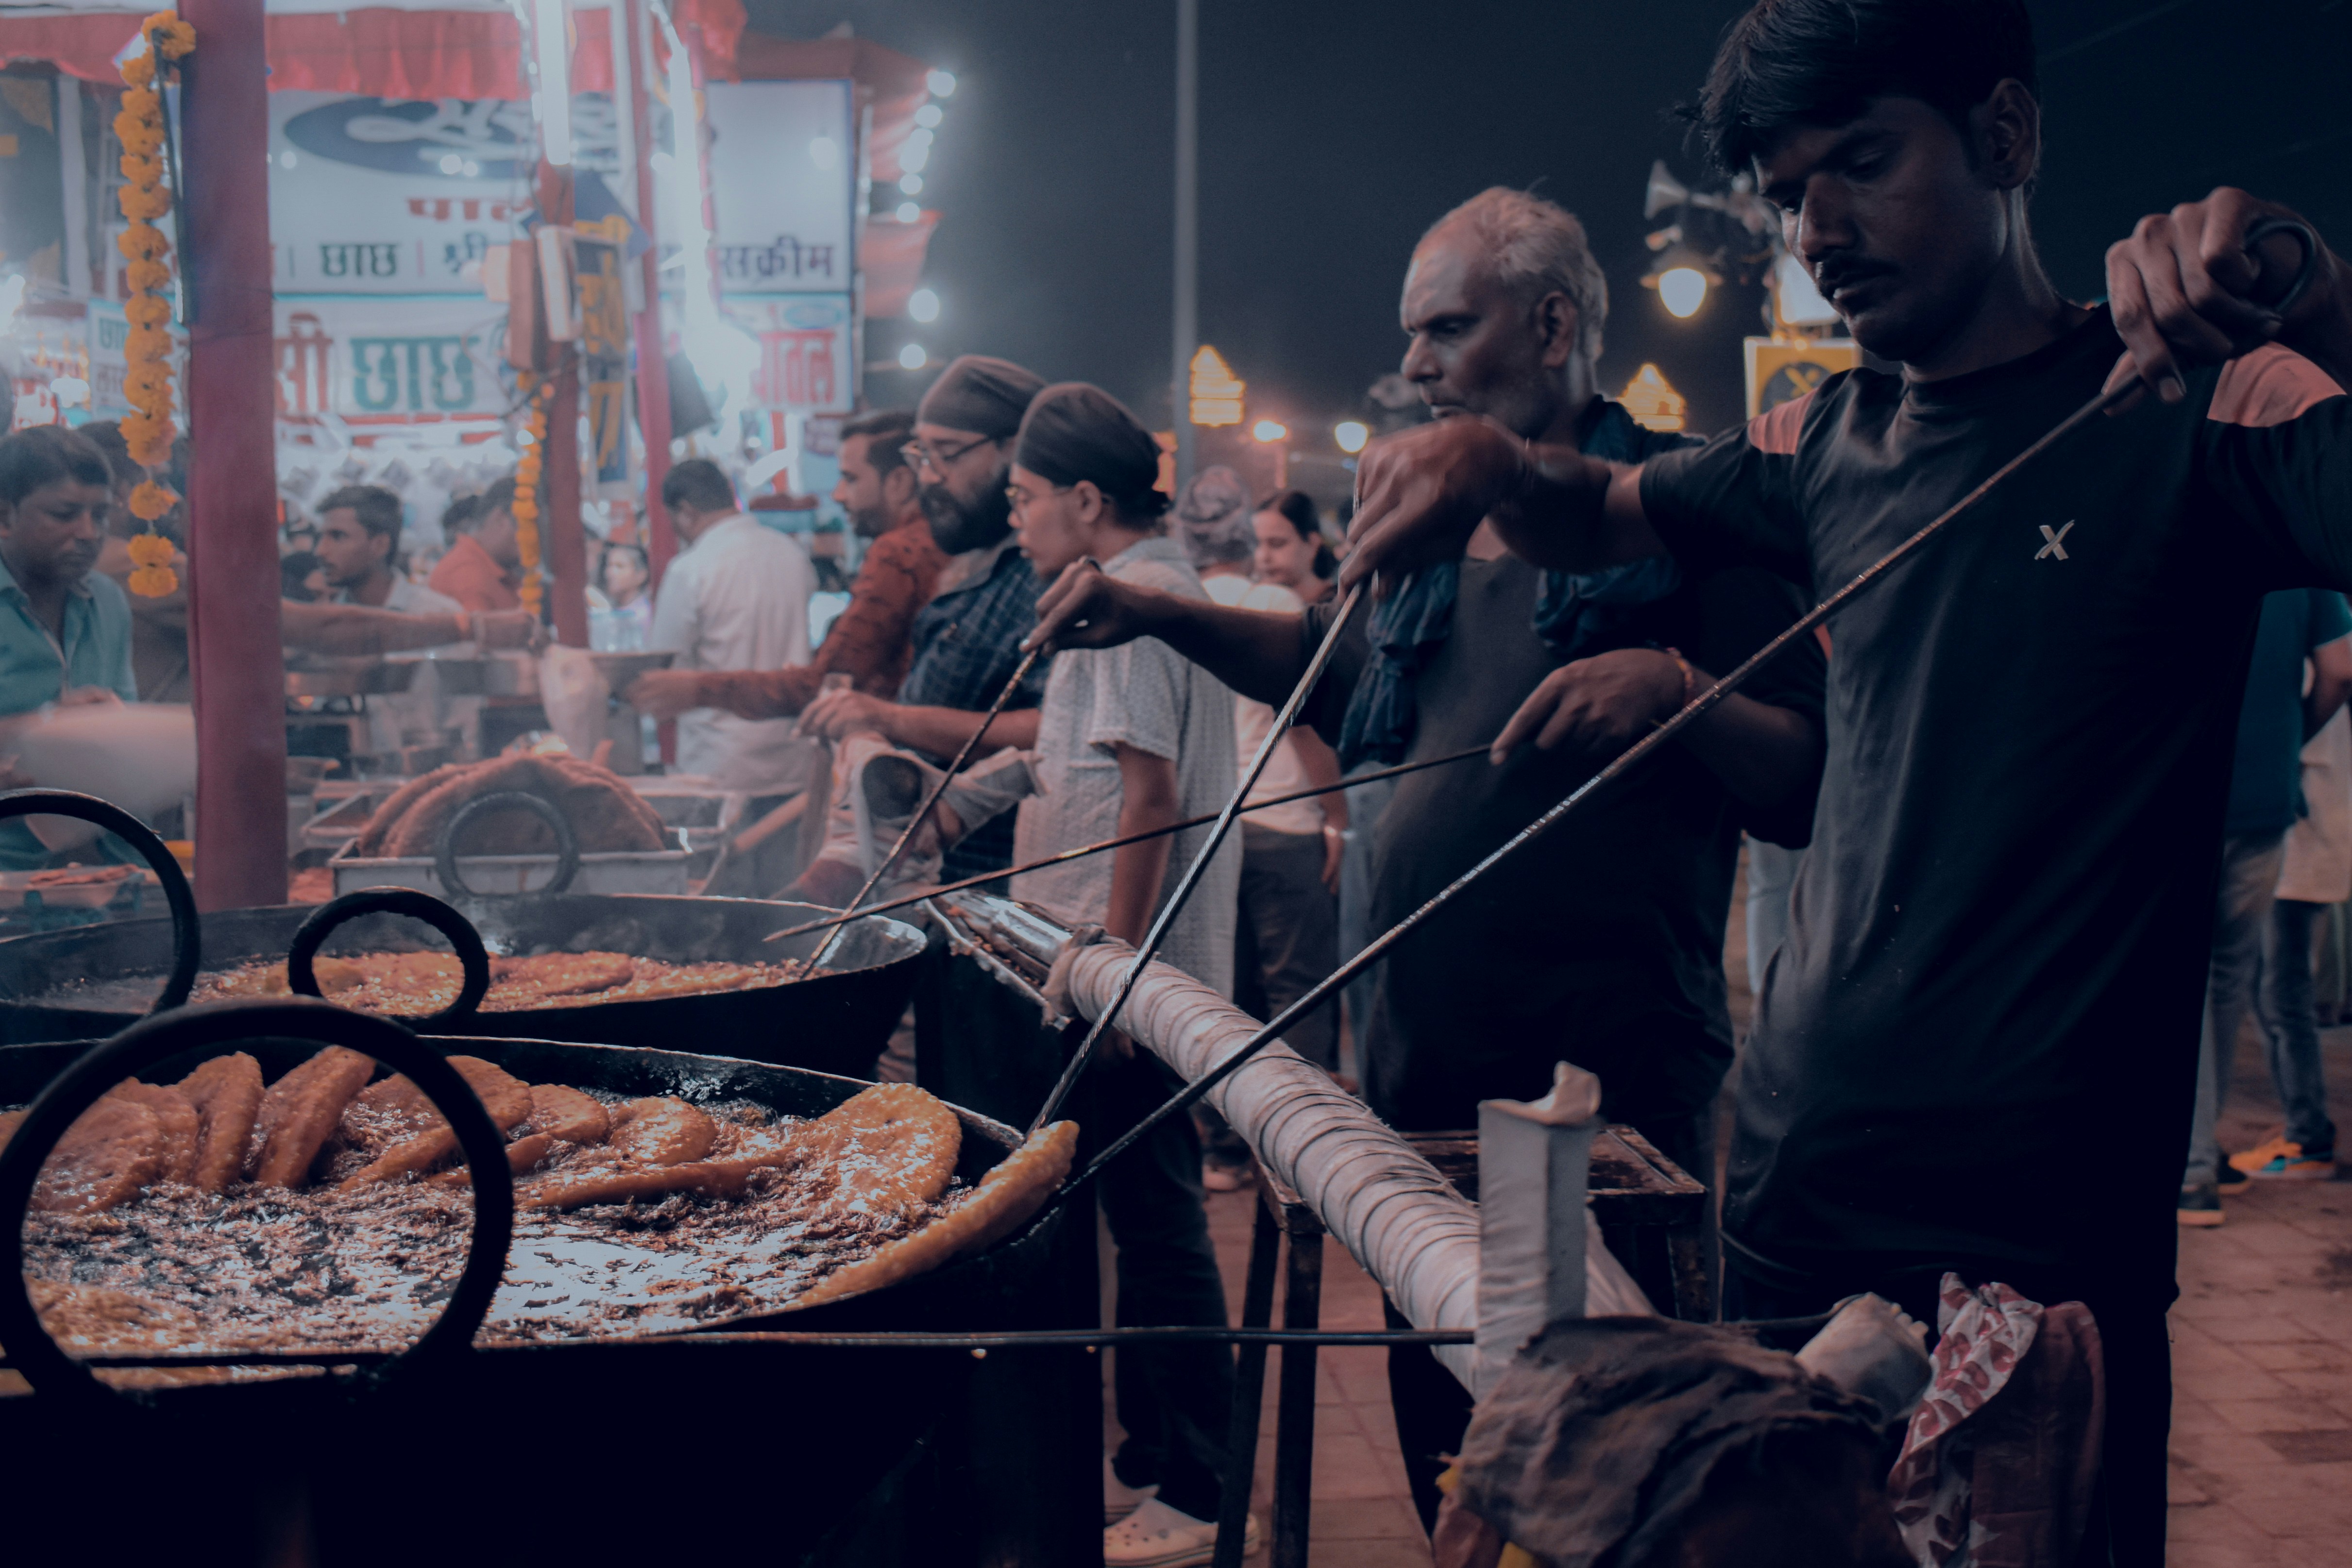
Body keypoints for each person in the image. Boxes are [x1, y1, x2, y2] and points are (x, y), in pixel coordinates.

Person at [1336, 2, 2352, 1554]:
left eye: (1864, 163)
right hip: (1796, 1177)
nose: (1822, 228)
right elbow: (1597, 503)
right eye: (1787, 191)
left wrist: (2313, 295)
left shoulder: (2194, 406)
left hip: (2042, 1226)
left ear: (2006, 136)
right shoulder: (1823, 442)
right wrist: (1487, 467)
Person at [1031, 187, 1826, 1534]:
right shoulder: (1426, 524)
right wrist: (1153, 612)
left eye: (1446, 328)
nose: (1413, 366)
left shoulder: (1689, 507)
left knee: (1611, 1463)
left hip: (1601, 1093)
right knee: (1455, 1456)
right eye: (1412, 335)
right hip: (1416, 1078)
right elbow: (1338, 682)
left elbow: (1803, 784)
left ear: (1555, 322)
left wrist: (1680, 687)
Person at [794, 358, 1054, 888]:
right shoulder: (972, 566)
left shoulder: (1042, 575)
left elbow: (1052, 730)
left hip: (997, 883)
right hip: (931, 883)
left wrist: (890, 719)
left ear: (1015, 451)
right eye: (922, 454)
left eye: (948, 454)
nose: (929, 477)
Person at [2177, 590, 2352, 1226]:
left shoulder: (2185, 526)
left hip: (2185, 791)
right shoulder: (2300, 567)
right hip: (2265, 797)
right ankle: (2202, 1156)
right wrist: (2287, 735)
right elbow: (2338, 668)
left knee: (2187, 982)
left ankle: (2190, 1168)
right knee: (2226, 980)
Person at [1175, 468, 1347, 1084]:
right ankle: (1297, 1161)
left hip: (1212, 829)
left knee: (1228, 996)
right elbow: (1303, 727)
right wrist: (1338, 818)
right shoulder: (1273, 605)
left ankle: (1225, 1151)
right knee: (1297, 995)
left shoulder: (1178, 604)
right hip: (1283, 822)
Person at [626, 408, 948, 719]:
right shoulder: (789, 550)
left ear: (900, 482)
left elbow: (829, 681)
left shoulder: (899, 551)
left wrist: (697, 689)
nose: (837, 495)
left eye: (850, 479)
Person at [0, 426, 137, 865]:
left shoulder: (107, 600)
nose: (89, 532)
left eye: (100, 515)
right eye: (65, 513)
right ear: (4, 518)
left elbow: (123, 727)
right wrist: (47, 728)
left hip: (103, 869)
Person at [646, 458, 818, 793]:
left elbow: (666, 669)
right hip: (793, 758)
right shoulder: (791, 553)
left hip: (720, 766)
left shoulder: (691, 568)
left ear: (685, 511)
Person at [85, 420, 191, 702]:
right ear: (121, 493)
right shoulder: (134, 563)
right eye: (158, 483)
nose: (173, 497)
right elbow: (275, 622)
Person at [313, 484, 461, 614]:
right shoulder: (327, 616)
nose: (320, 551)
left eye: (338, 536)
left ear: (380, 545)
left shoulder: (436, 615)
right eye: (321, 538)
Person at [427, 476, 525, 613]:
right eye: (530, 527)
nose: (537, 540)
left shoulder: (492, 567)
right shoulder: (468, 576)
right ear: (500, 519)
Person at [1252, 488, 1337, 605]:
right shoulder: (1253, 605)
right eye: (1257, 544)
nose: (1263, 557)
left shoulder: (1339, 607)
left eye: (1277, 544)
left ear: (1313, 543)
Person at [590, 542, 654, 651]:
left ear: (641, 575)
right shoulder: (614, 608)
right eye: (609, 566)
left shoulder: (643, 614)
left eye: (620, 566)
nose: (610, 573)